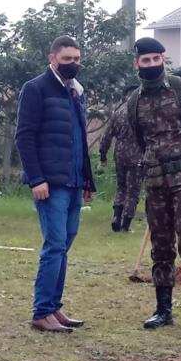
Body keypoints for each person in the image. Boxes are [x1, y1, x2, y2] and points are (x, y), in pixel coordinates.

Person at [125, 37, 181, 333]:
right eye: (144, 61)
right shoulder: (134, 101)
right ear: (137, 63)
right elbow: (139, 140)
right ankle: (163, 309)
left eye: (155, 59)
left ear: (163, 59)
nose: (150, 65)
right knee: (160, 245)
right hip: (156, 180)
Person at [15, 36, 95, 333]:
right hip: (50, 183)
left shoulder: (75, 92)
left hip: (73, 181)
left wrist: (87, 178)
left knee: (64, 245)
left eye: (77, 58)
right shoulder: (35, 89)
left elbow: (79, 140)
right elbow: (24, 136)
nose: (73, 64)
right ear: (53, 58)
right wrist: (36, 178)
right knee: (55, 245)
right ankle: (42, 311)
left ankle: (55, 307)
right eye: (67, 59)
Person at [99, 84, 143, 232]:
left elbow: (106, 137)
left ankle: (116, 216)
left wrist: (103, 155)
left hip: (120, 153)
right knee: (133, 190)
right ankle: (126, 224)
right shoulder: (140, 111)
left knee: (121, 187)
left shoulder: (118, 112)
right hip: (137, 154)